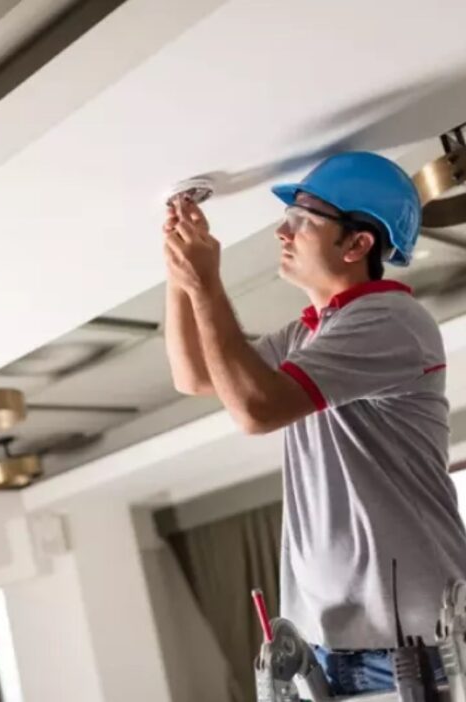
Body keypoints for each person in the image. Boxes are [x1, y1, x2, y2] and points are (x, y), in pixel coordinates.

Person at [163, 151, 466, 696]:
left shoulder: (391, 321)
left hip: (416, 653)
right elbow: (194, 375)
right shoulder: (308, 335)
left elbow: (257, 409)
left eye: (304, 219)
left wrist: (208, 287)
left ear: (357, 245)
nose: (284, 230)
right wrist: (182, 274)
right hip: (336, 657)